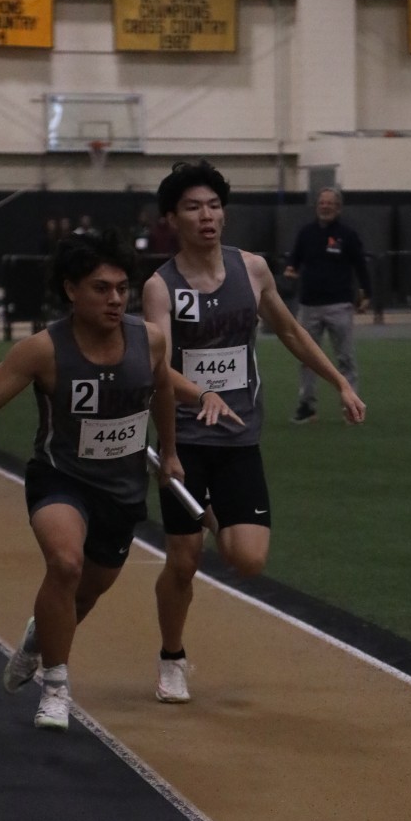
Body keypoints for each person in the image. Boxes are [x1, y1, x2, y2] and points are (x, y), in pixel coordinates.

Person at [142, 160, 366, 704]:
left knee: (248, 560)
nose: (207, 216)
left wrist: (339, 381)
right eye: (193, 208)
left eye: (214, 206)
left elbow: (289, 330)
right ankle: (172, 657)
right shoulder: (160, 287)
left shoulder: (253, 269)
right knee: (184, 561)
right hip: (185, 438)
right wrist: (199, 399)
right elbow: (158, 367)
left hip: (240, 435)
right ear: (172, 218)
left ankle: (211, 515)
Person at [0, 231, 183, 731]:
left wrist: (171, 453)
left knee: (86, 592)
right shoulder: (43, 350)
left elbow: (162, 390)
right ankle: (55, 686)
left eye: (122, 288)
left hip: (123, 487)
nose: (115, 299)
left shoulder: (150, 341)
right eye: (101, 288)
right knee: (65, 563)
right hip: (61, 478)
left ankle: (38, 639)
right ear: (71, 290)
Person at [283, 187, 371, 424]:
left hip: (339, 305)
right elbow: (294, 258)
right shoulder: (306, 233)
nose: (325, 206)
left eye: (330, 203)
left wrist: (366, 293)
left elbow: (360, 265)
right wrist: (290, 268)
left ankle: (351, 408)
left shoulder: (347, 235)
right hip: (309, 305)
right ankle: (307, 406)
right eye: (322, 202)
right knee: (307, 358)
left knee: (345, 358)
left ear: (338, 208)